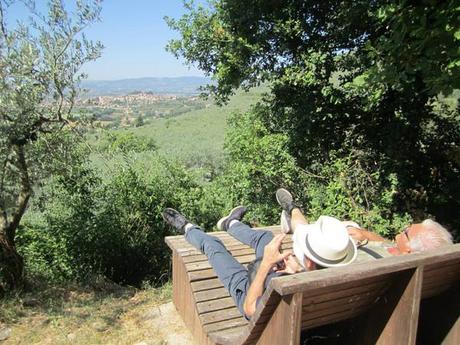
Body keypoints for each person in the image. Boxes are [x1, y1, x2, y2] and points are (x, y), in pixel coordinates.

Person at [162, 198, 357, 318]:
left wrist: (266, 265)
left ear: (310, 260)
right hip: (278, 277)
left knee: (214, 247)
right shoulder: (343, 271)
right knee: (266, 238)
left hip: (251, 291)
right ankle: (232, 224)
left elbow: (250, 309)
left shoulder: (285, 286)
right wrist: (296, 270)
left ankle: (187, 227)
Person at [277, 188, 454, 259]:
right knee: (350, 226)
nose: (404, 227)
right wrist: (366, 237)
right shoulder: (404, 258)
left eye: (407, 231)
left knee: (306, 231)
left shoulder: (381, 266)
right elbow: (388, 244)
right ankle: (292, 217)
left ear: (408, 250)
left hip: (320, 257)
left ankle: (293, 210)